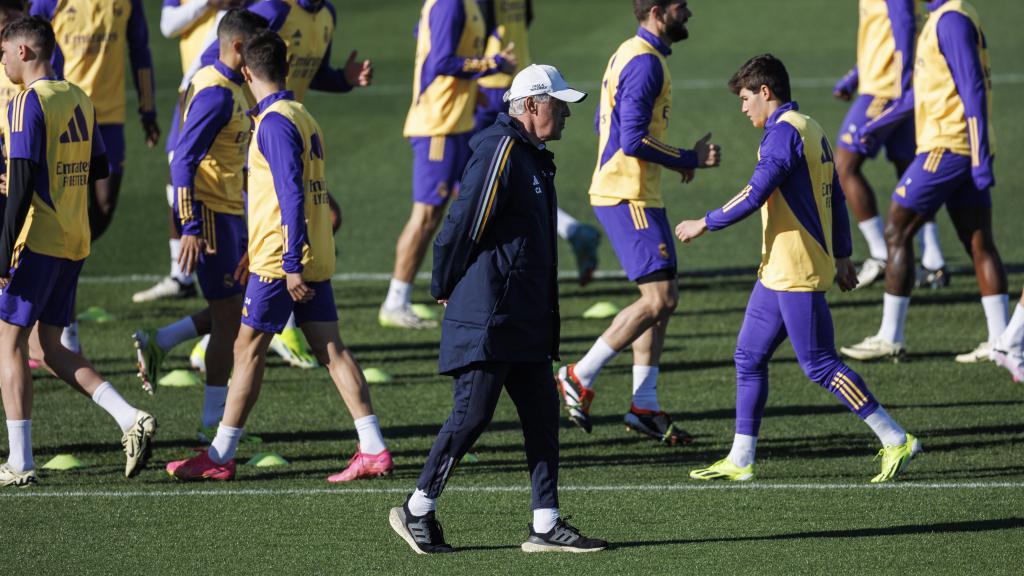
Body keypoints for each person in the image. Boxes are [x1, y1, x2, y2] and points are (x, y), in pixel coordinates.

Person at [389, 64, 606, 554]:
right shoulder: (502, 150)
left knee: (542, 414)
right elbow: (464, 223)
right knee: (472, 415)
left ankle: (545, 524)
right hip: (490, 314)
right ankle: (416, 508)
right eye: (559, 103)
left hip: (523, 316)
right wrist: (443, 282)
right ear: (531, 105)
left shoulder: (531, 156)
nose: (567, 113)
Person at [675, 54, 920, 483]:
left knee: (821, 365)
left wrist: (704, 222)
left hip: (796, 269)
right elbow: (837, 198)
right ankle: (741, 457)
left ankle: (895, 437)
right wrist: (843, 255)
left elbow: (754, 194)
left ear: (766, 92)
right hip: (780, 269)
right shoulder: (810, 127)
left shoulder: (780, 138)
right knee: (748, 356)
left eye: (747, 97)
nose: (743, 106)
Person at [166, 31, 391, 483]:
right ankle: (373, 447)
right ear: (286, 69)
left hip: (284, 261)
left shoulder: (272, 123)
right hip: (303, 252)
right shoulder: (302, 115)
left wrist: (287, 263)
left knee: (246, 349)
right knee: (330, 349)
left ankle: (220, 455)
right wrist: (259, 249)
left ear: (246, 73)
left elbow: (290, 196)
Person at [159, 0, 377, 371]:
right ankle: (233, 345)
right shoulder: (272, 10)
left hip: (277, 131)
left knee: (262, 261)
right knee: (262, 261)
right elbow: (218, 61)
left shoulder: (327, 16)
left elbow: (313, 71)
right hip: (248, 141)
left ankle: (197, 341)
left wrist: (344, 79)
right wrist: (195, 122)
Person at [0, 16, 156, 487]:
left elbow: (23, 184)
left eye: (3, 52)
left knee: (7, 344)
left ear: (24, 52)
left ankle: (20, 461)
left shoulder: (27, 103)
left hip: (38, 240)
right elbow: (101, 165)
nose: (2, 61)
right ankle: (130, 417)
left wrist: (2, 252)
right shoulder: (79, 97)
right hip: (74, 239)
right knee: (48, 346)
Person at [555, 0, 719, 444]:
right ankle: (577, 374)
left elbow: (602, 122)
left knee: (662, 300)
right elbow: (630, 139)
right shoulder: (645, 63)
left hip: (639, 192)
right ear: (657, 11)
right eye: (681, 7)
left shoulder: (629, 53)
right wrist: (689, 158)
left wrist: (667, 163)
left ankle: (644, 406)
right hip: (627, 196)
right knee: (659, 299)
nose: (688, 14)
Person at [841, 0, 1006, 363]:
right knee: (978, 241)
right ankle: (1001, 341)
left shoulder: (950, 22)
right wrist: (880, 124)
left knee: (896, 230)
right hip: (956, 147)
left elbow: (973, 91)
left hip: (948, 147)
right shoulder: (943, 19)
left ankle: (890, 336)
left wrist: (979, 160)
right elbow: (922, 91)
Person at [132, 9, 267, 447]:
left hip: (228, 213)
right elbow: (182, 160)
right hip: (209, 215)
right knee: (231, 318)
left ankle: (160, 340)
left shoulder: (232, 86)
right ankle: (211, 421)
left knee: (235, 308)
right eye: (255, 49)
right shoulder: (215, 93)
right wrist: (190, 226)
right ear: (238, 48)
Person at [30, 0, 160, 353]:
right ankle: (60, 322)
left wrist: (148, 108)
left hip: (108, 116)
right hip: (61, 111)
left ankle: (54, 271)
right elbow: (28, 42)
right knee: (60, 214)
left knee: (101, 210)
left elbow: (141, 48)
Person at [379, 0, 516, 329]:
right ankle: (395, 301)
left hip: (457, 122)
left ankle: (469, 291)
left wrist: (471, 90)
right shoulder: (450, 4)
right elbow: (440, 61)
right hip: (437, 126)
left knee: (468, 208)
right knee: (426, 215)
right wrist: (492, 64)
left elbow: (426, 37)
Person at [475, 0, 602, 286]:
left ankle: (403, 294)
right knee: (508, 178)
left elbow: (474, 35)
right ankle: (570, 231)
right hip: (513, 73)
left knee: (479, 183)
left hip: (488, 86)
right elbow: (526, 16)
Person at [132, 0, 247, 304]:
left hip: (228, 86)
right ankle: (180, 272)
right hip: (204, 87)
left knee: (234, 309)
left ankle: (168, 335)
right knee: (180, 176)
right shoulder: (214, 83)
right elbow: (168, 24)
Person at [833, 0, 948, 289]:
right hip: (892, 86)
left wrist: (901, 88)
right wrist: (855, 76)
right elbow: (884, 36)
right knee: (908, 169)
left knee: (844, 166)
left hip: (885, 91)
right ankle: (933, 261)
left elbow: (906, 26)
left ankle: (881, 254)